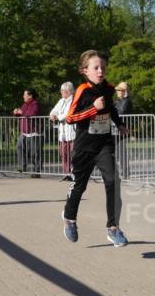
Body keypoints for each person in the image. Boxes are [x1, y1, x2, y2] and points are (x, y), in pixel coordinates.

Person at [62, 50, 130, 247]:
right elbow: (70, 118)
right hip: (84, 147)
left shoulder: (109, 89)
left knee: (113, 181)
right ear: (85, 70)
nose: (101, 71)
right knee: (79, 185)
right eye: (96, 68)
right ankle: (69, 218)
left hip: (104, 144)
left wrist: (120, 124)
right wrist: (93, 108)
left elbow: (112, 110)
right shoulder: (82, 91)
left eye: (103, 68)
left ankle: (113, 228)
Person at [49, 82, 76, 181]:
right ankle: (67, 173)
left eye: (62, 90)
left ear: (69, 91)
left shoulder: (73, 100)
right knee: (63, 153)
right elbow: (54, 110)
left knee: (73, 154)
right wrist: (53, 115)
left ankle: (74, 174)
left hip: (71, 131)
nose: (61, 92)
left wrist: (58, 117)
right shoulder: (61, 101)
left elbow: (68, 113)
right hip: (63, 133)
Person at [12, 88, 42, 177]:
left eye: (25, 95)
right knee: (19, 147)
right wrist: (16, 113)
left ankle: (36, 172)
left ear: (30, 96)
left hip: (34, 133)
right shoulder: (24, 105)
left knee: (35, 153)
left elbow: (32, 113)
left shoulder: (35, 104)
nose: (23, 96)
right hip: (24, 133)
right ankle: (22, 167)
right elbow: (22, 114)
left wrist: (22, 112)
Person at [113, 82, 134, 179]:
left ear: (124, 91)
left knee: (122, 152)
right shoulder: (118, 101)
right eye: (117, 90)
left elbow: (121, 112)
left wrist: (113, 112)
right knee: (117, 151)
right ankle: (121, 172)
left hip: (122, 130)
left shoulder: (127, 101)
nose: (117, 92)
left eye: (119, 90)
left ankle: (126, 173)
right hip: (115, 129)